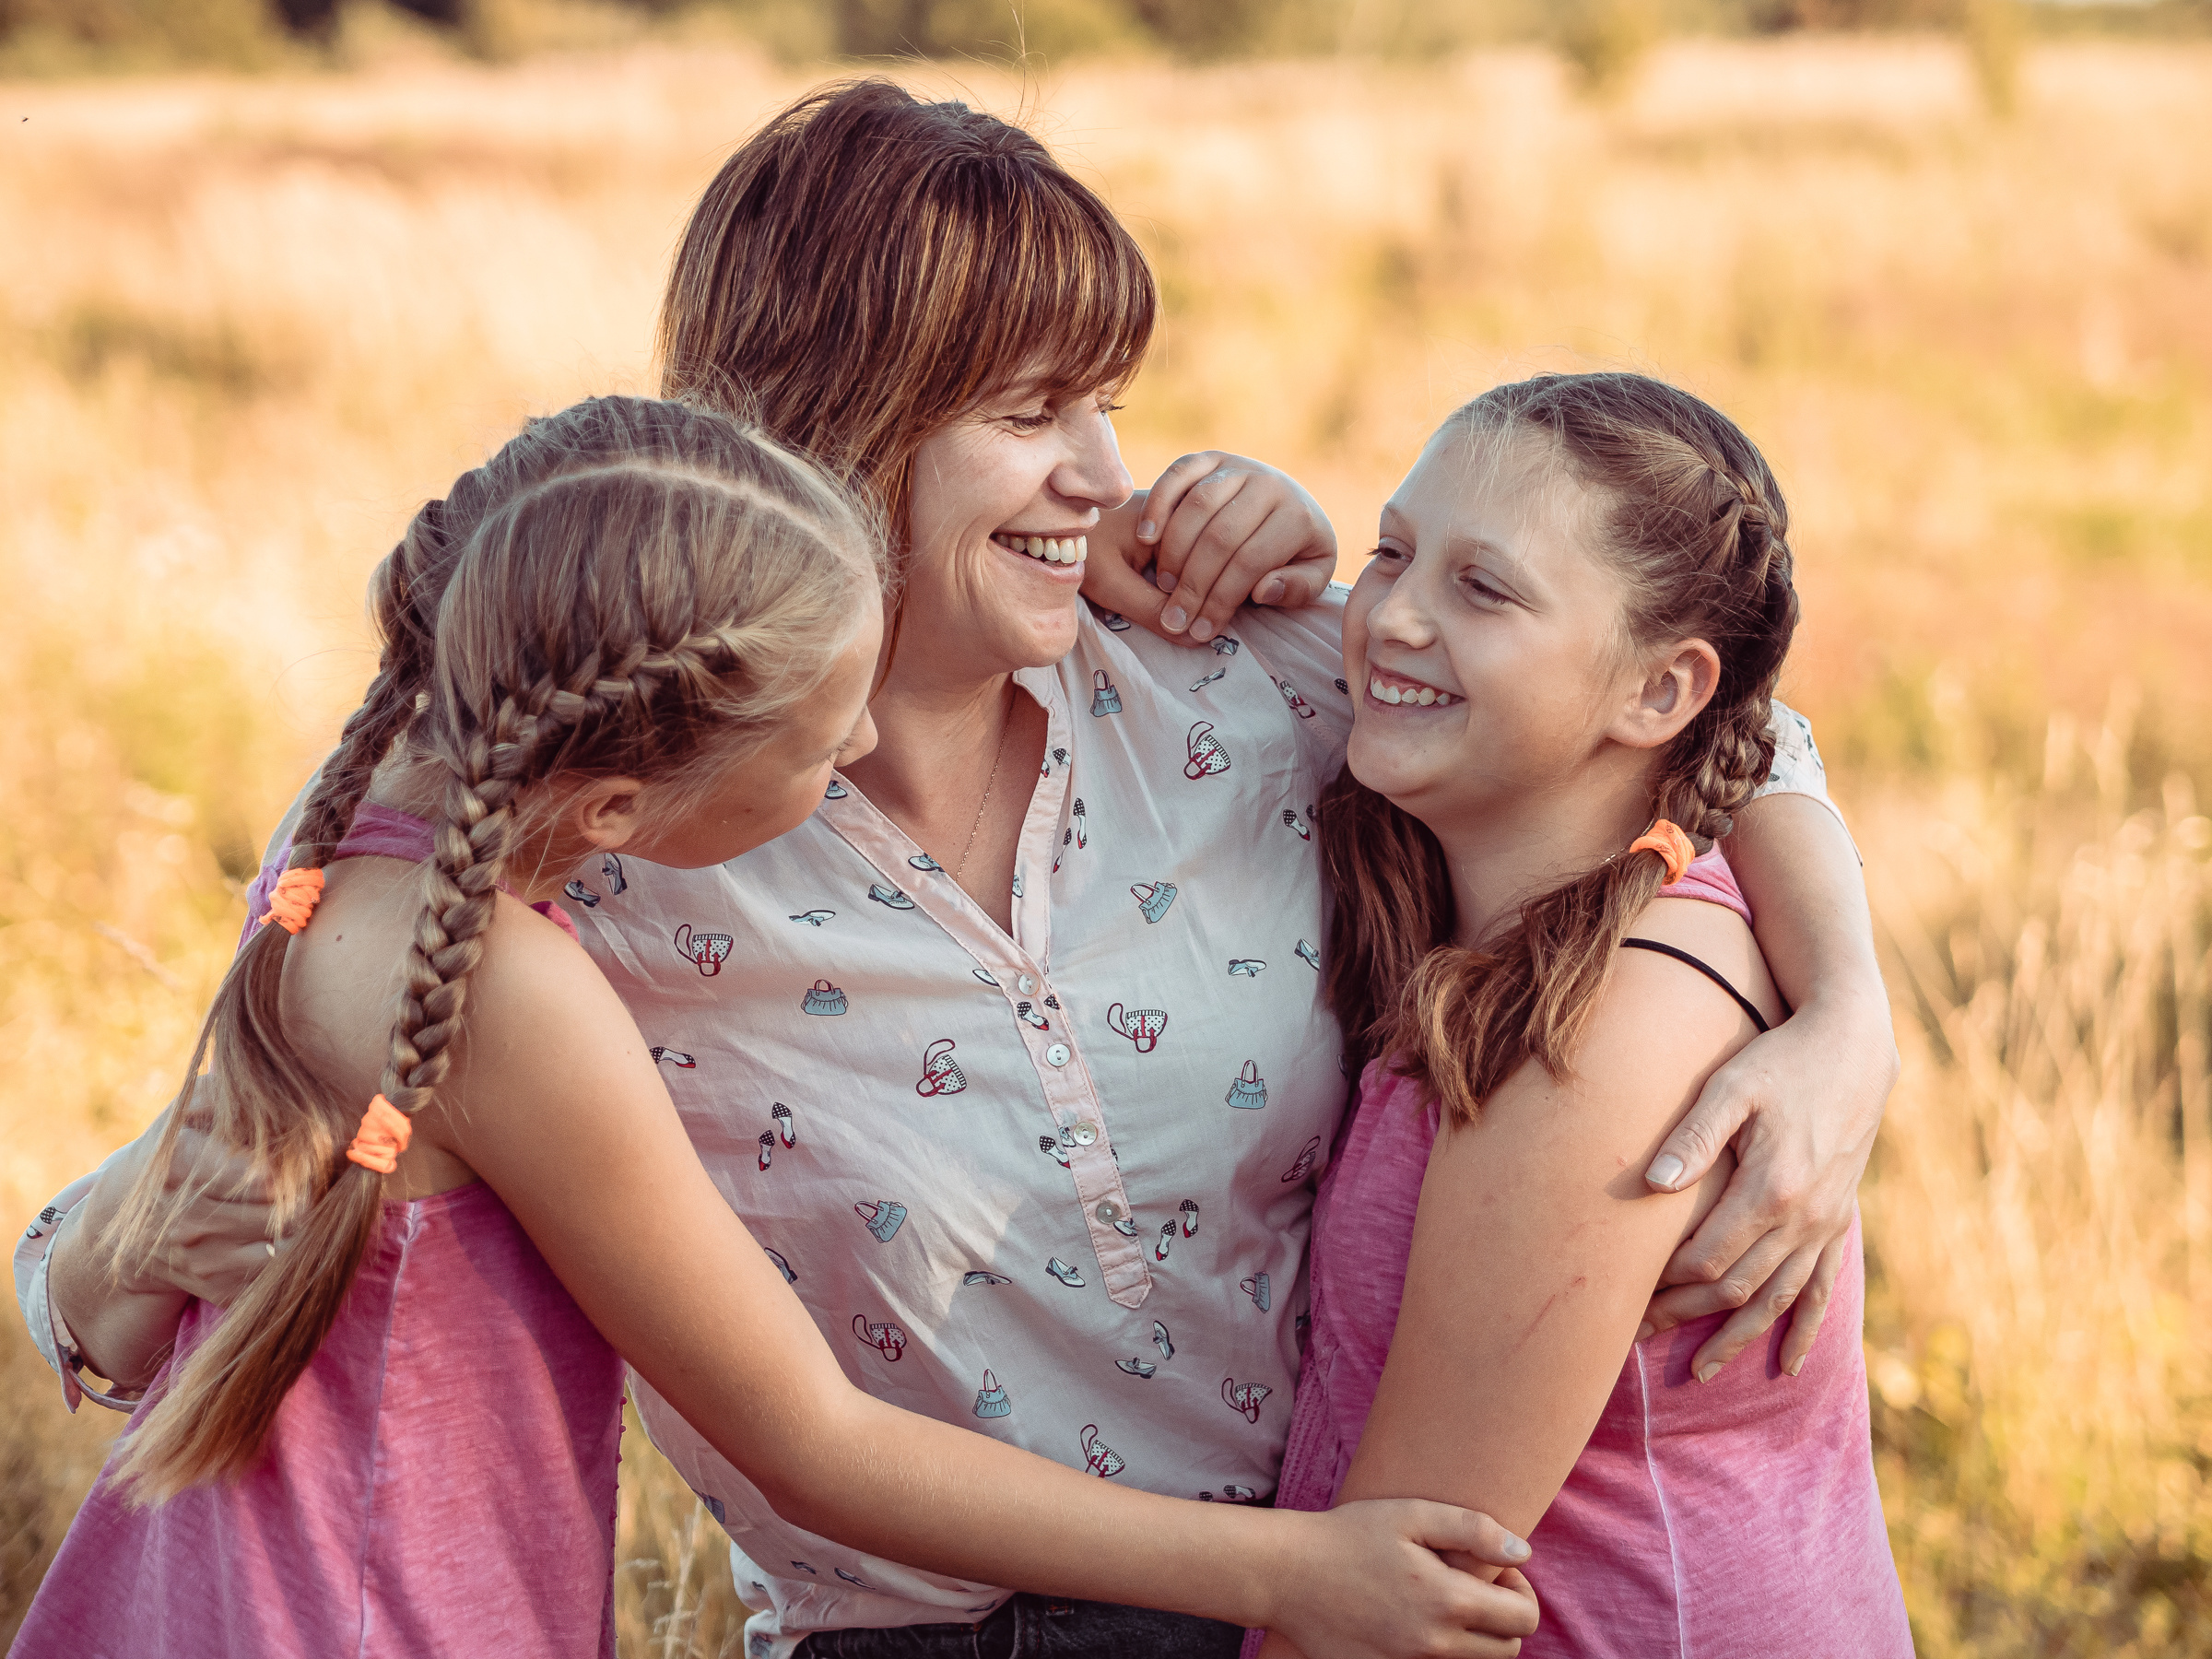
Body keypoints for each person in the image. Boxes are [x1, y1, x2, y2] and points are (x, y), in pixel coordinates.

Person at [25, 83, 1896, 1659]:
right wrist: (87, 1266)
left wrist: (1849, 1016)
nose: (1106, 467)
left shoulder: (1228, 675)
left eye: (1111, 398)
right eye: (1030, 409)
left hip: (1323, 1602)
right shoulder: (608, 825)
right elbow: (235, 1127)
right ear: (833, 430)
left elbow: (1692, 717)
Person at [12, 396, 1540, 1659]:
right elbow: (807, 1433)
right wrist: (1294, 1576)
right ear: (618, 809)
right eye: (822, 752)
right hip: (372, 1613)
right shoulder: (503, 986)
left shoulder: (366, 846)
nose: (862, 746)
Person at [1253, 373, 1912, 1657]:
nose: (1390, 615)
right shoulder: (1553, 935)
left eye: (1482, 588)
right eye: (1392, 550)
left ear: (1661, 694)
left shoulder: (1598, 1039)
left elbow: (1404, 1596)